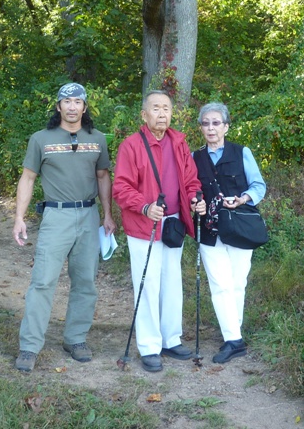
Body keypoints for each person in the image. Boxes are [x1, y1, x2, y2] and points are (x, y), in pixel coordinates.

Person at [12, 83, 115, 373]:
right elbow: (28, 178)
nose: (72, 107)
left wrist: (107, 215)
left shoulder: (97, 139)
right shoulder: (41, 139)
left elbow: (103, 176)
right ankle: (29, 346)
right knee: (43, 281)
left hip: (88, 214)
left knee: (86, 282)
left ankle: (76, 339)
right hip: (56, 217)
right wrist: (19, 217)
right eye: (66, 101)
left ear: (85, 107)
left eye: (77, 102)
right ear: (58, 107)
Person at [113, 90, 206, 372]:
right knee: (148, 283)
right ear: (144, 115)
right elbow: (121, 188)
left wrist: (195, 198)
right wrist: (144, 207)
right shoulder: (131, 146)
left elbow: (190, 180)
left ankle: (171, 338)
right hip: (144, 224)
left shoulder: (178, 142)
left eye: (166, 108)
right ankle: (150, 346)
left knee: (171, 281)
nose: (162, 113)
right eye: (156, 108)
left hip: (174, 222)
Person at [192, 102, 267, 364]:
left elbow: (258, 185)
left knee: (237, 283)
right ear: (201, 127)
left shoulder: (241, 152)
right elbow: (191, 189)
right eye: (206, 123)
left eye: (216, 123)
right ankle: (234, 341)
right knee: (220, 285)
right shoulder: (194, 157)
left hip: (240, 226)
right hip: (210, 229)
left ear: (226, 126)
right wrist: (195, 201)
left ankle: (232, 333)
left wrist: (243, 198)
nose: (211, 128)